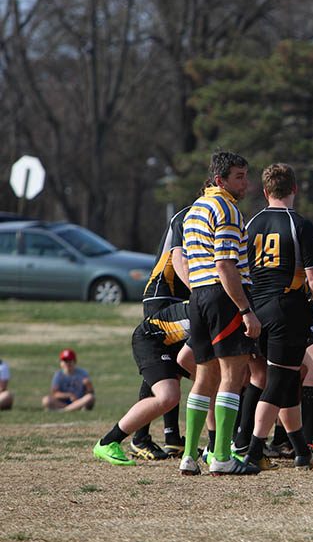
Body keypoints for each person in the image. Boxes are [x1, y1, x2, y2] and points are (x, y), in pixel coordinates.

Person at [242, 163, 313, 470]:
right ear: (295, 189)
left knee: (286, 379)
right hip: (287, 307)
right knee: (280, 381)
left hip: (257, 307)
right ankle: (254, 451)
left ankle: (299, 449)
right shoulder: (300, 224)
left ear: (266, 192)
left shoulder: (251, 223)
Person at [179, 150, 261, 476]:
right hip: (223, 296)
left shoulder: (194, 209)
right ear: (220, 180)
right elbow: (226, 265)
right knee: (232, 376)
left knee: (204, 377)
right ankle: (223, 457)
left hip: (197, 296)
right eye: (239, 177)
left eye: (245, 175)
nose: (246, 183)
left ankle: (189, 455)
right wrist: (246, 309)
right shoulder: (226, 208)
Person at [93, 301, 191, 466]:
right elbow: (186, 359)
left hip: (173, 344)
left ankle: (219, 445)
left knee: (211, 384)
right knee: (168, 396)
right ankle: (108, 442)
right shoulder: (210, 309)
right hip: (151, 340)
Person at [130, 204, 192, 461]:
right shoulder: (188, 215)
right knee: (160, 363)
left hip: (181, 296)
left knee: (173, 366)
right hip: (162, 294)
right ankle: (139, 437)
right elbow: (178, 258)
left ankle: (172, 438)